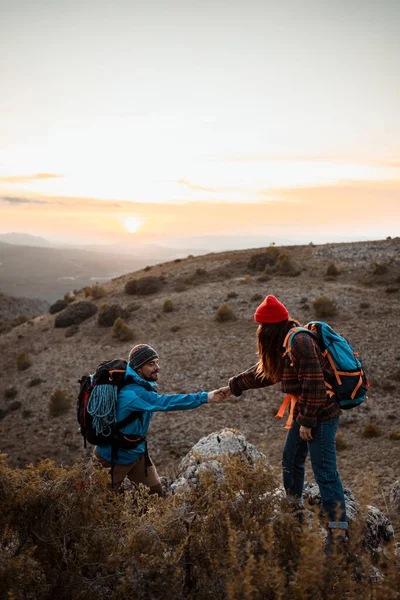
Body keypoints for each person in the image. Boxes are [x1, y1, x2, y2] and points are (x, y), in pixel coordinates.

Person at [220, 295, 348, 542]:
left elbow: (314, 384)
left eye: (261, 327)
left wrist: (308, 422)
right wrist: (234, 385)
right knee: (290, 459)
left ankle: (339, 529)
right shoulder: (286, 342)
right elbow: (267, 374)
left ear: (269, 328)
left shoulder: (299, 341)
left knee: (324, 470)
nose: (259, 332)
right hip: (306, 411)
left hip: (321, 412)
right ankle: (293, 510)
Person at [94, 343, 225, 494]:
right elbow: (166, 403)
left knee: (154, 493)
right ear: (138, 368)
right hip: (113, 456)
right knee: (102, 502)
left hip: (137, 451)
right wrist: (206, 397)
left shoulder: (140, 384)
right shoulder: (133, 393)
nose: (157, 367)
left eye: (157, 362)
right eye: (151, 364)